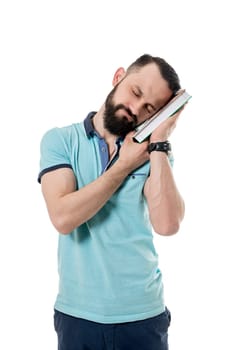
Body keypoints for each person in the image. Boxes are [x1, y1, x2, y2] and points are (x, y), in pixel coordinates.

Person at [38, 54, 185, 350]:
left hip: (143, 315)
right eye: (136, 92)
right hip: (78, 315)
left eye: (150, 109)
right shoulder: (61, 141)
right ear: (118, 77)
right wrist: (123, 166)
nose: (135, 109)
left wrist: (158, 143)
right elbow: (63, 218)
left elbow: (168, 225)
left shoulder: (153, 153)